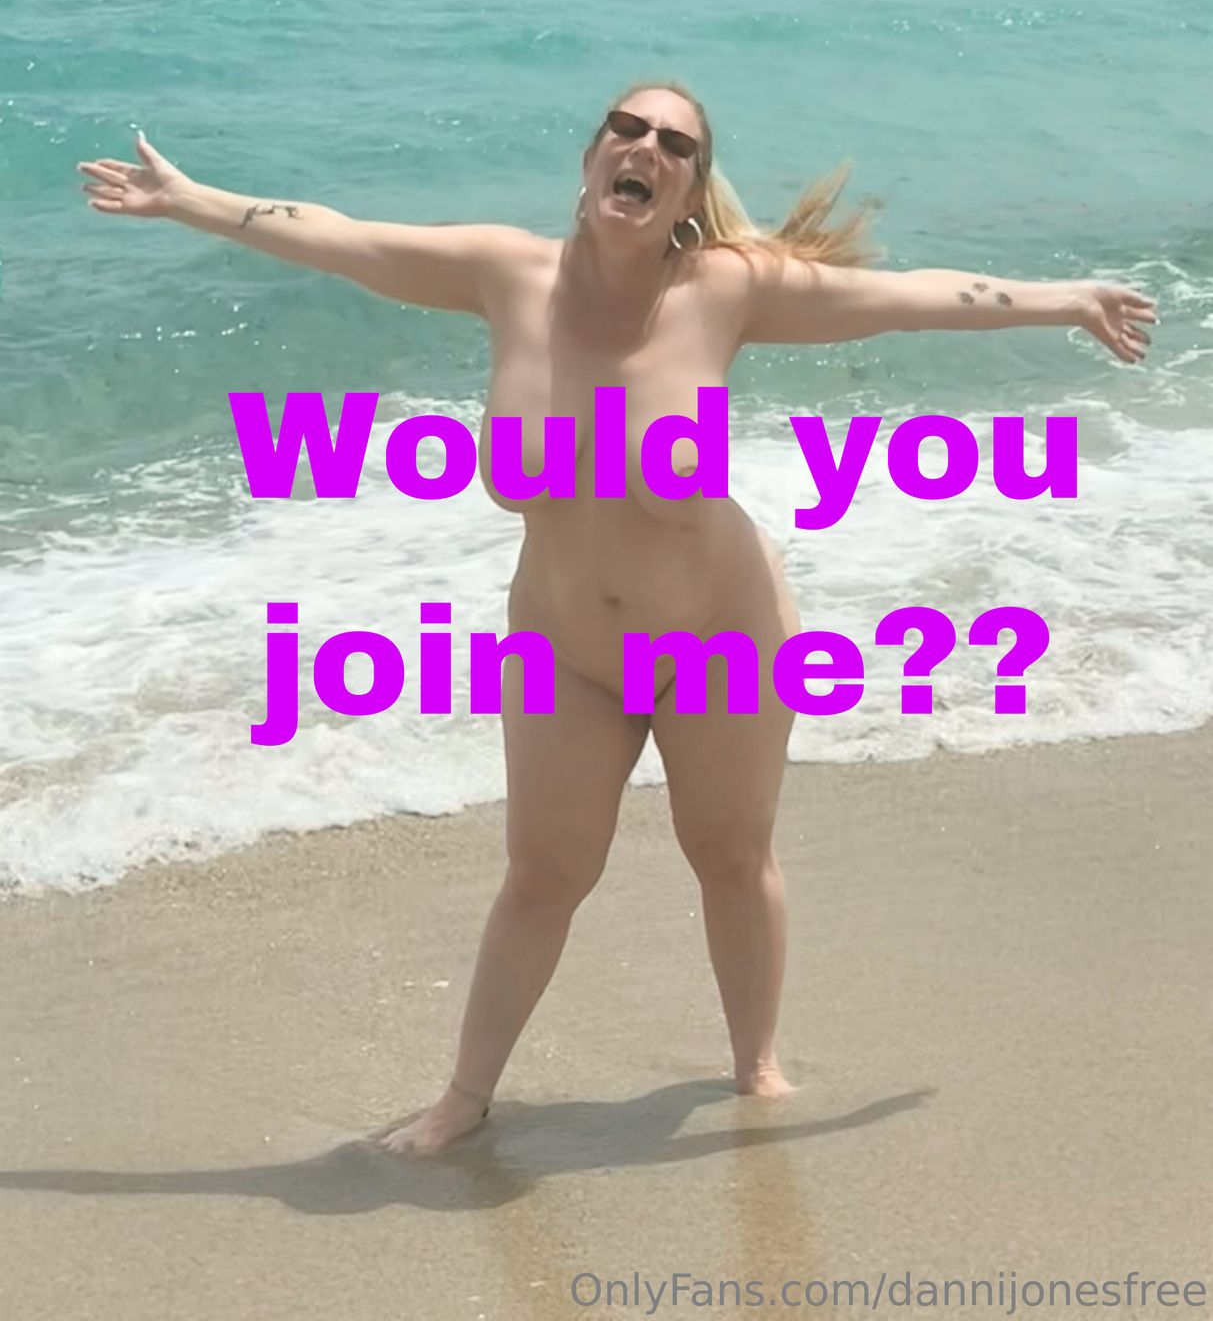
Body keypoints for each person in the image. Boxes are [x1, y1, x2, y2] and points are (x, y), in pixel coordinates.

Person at [77, 80, 1157, 1155]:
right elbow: (344, 238)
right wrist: (189, 201)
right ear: (592, 156)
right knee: (544, 874)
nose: (645, 147)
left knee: (728, 853)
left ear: (688, 187)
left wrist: (1066, 298)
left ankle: (756, 1064)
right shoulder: (506, 273)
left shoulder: (725, 289)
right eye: (626, 129)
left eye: (673, 143)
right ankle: (464, 1095)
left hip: (721, 639)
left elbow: (908, 297)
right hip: (566, 651)